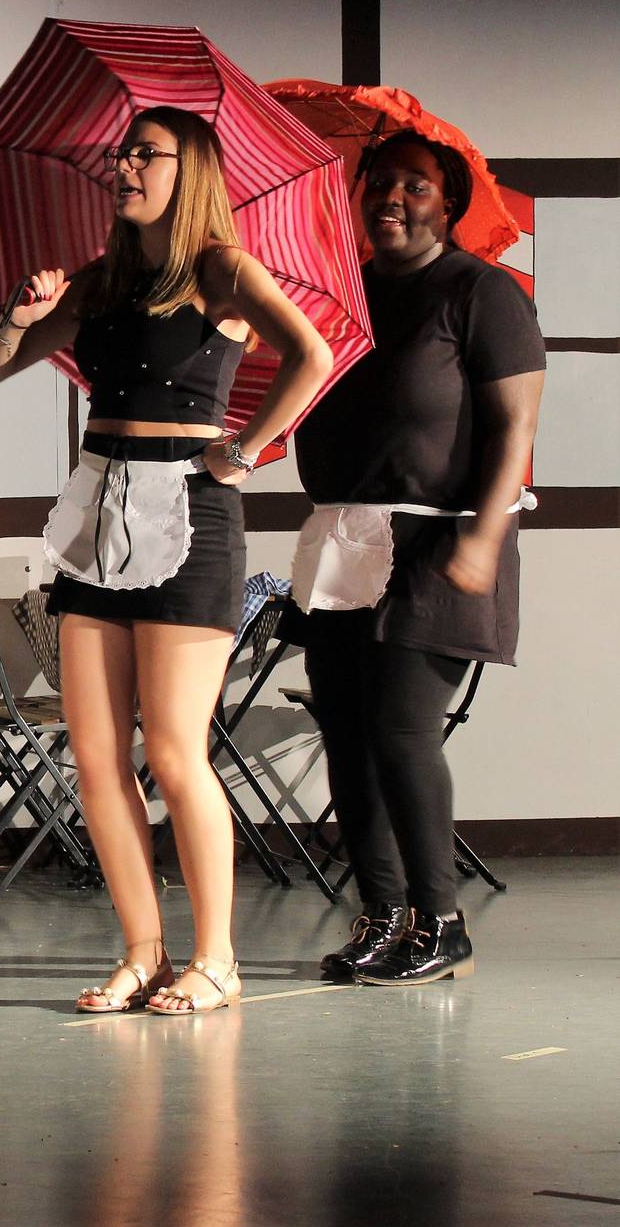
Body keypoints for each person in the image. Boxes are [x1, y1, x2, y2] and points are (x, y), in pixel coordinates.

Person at [0, 106, 332, 1015]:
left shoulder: (222, 270)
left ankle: (216, 958)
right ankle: (143, 950)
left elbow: (313, 355)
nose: (125, 167)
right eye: (121, 153)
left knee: (173, 748)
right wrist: (17, 315)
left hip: (193, 512)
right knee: (94, 754)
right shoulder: (98, 283)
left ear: (191, 169)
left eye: (146, 155)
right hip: (102, 507)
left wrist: (245, 450)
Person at [292, 131, 543, 986]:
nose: (393, 198)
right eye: (380, 183)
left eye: (417, 187)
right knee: (347, 737)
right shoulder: (342, 297)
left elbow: (516, 428)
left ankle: (443, 924)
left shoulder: (481, 292)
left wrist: (484, 537)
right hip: (341, 536)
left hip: (438, 539)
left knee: (400, 733)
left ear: (449, 206)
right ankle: (382, 914)